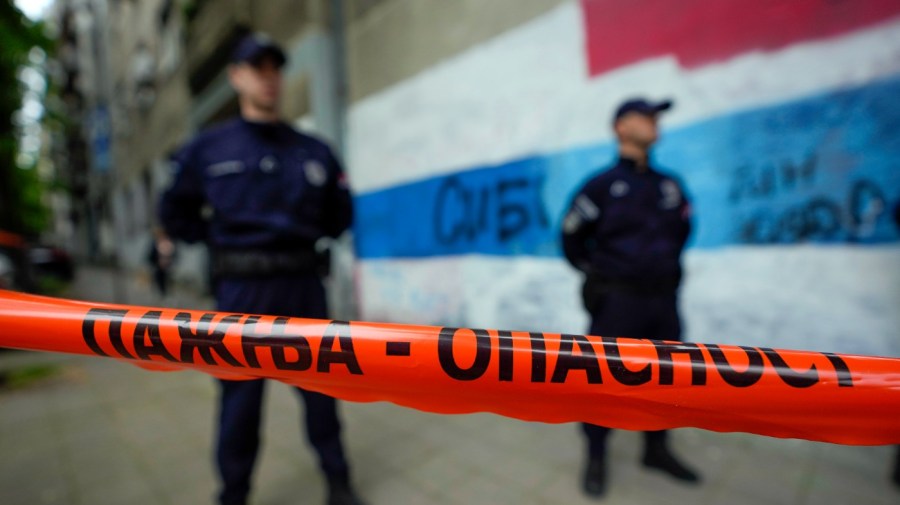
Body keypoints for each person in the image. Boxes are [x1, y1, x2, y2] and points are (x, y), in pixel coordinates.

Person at [158, 33, 364, 505]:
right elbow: (176, 213)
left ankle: (339, 481)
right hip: (241, 294)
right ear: (236, 77)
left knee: (322, 393)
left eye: (274, 67)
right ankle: (234, 492)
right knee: (239, 405)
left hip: (303, 287)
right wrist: (218, 243)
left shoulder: (313, 149)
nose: (267, 77)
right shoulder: (207, 149)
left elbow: (339, 215)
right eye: (256, 67)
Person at [560, 97, 701, 498]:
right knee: (602, 381)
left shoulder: (668, 184)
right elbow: (570, 238)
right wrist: (600, 275)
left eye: (657, 117)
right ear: (621, 127)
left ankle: (656, 450)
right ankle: (597, 455)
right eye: (646, 116)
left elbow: (683, 232)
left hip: (664, 301)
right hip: (618, 303)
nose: (655, 123)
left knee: (668, 380)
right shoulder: (601, 187)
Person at [147, 227, 176, 300]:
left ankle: (167, 295)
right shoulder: (155, 243)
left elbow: (174, 254)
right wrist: (155, 263)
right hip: (158, 267)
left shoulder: (169, 243)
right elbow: (151, 255)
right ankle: (160, 295)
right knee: (158, 281)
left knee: (168, 282)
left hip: (168, 267)